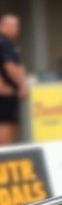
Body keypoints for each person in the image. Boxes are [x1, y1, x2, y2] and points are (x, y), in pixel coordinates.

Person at [0, 14, 28, 145]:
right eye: (14, 25)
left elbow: (19, 66)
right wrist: (22, 86)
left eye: (17, 25)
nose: (17, 29)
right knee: (6, 127)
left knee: (11, 126)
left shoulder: (10, 44)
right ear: (4, 25)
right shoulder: (3, 42)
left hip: (10, 93)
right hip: (5, 94)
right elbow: (10, 67)